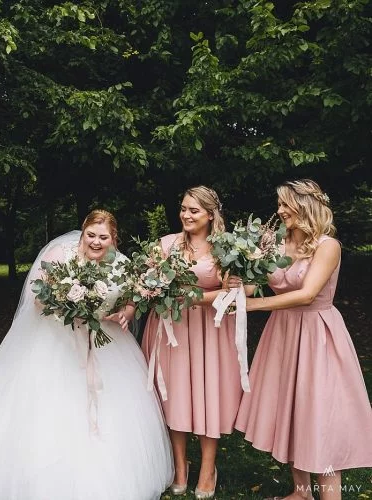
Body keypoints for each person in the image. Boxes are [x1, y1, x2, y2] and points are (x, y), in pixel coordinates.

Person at [0, 209, 173, 500]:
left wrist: (125, 314)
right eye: (91, 235)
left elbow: (130, 302)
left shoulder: (122, 266)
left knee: (113, 406)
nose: (96, 242)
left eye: (104, 237)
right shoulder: (60, 255)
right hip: (56, 341)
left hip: (107, 344)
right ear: (83, 231)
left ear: (114, 239)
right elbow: (37, 300)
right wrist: (68, 308)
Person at [235, 179, 372, 500]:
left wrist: (254, 306)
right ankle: (301, 493)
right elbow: (252, 287)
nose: (280, 210)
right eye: (279, 204)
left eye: (286, 204)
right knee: (290, 409)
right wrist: (235, 280)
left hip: (316, 336)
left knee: (319, 413)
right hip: (282, 335)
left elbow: (308, 294)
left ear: (307, 206)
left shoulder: (328, 246)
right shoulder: (274, 242)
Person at [141, 186, 246, 498]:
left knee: (206, 396)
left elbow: (240, 291)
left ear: (211, 215)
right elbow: (149, 285)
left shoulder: (226, 249)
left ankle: (207, 469)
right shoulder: (166, 244)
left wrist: (197, 297)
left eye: (194, 210)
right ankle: (180, 466)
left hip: (209, 333)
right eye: (184, 208)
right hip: (170, 329)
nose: (186, 215)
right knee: (175, 397)